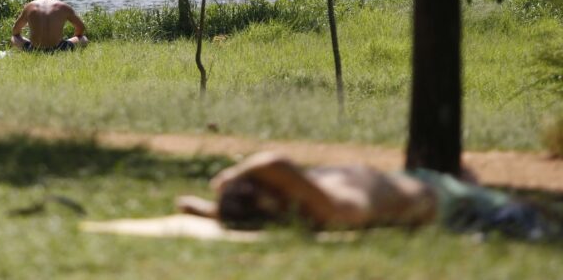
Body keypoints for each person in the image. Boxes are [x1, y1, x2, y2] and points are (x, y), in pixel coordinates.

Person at [176, 152, 560, 240]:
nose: (270, 185)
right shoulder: (335, 210)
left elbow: (270, 192)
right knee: (537, 216)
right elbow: (275, 163)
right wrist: (230, 175)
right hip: (447, 201)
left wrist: (211, 211)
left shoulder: (303, 200)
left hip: (420, 181)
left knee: (465, 173)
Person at [11, 0, 88, 53]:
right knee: (83, 39)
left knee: (14, 38)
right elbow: (81, 28)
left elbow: (15, 30)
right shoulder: (64, 7)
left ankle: (28, 51)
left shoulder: (29, 6)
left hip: (35, 49)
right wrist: (73, 39)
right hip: (59, 48)